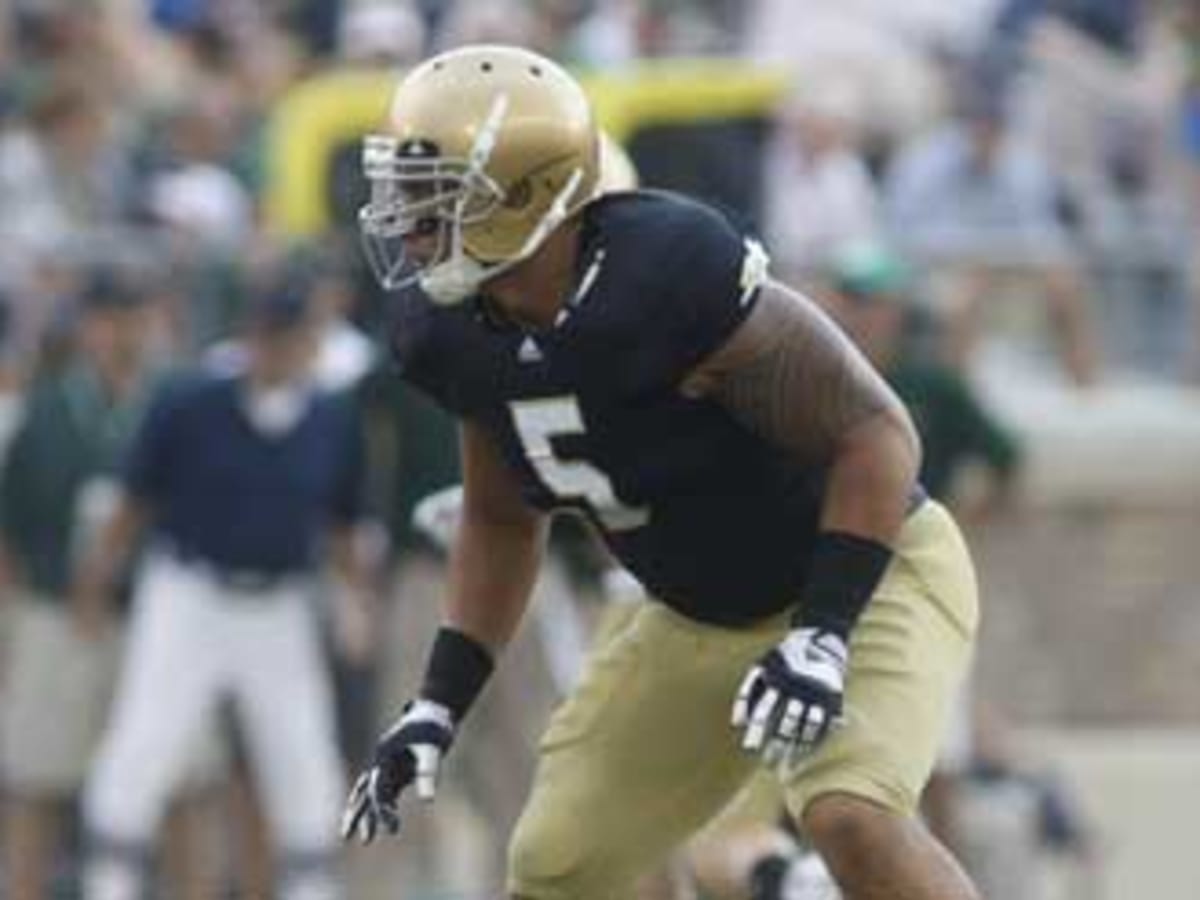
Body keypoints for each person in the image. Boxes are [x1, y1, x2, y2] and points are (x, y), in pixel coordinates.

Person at [341, 45, 982, 900]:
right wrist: (439, 702)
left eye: (438, 193)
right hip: (694, 616)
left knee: (847, 815)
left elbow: (874, 430)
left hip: (865, 575)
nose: (409, 221)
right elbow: (500, 517)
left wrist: (823, 631)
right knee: (558, 863)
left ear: (527, 197)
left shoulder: (669, 270)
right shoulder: (444, 328)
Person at [76, 269, 374, 900]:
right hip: (189, 593)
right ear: (250, 336)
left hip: (280, 603)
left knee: (302, 754)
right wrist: (97, 581)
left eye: (293, 337)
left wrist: (356, 602)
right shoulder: (191, 401)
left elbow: (344, 524)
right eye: (270, 335)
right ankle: (109, 879)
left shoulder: (330, 417)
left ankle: (310, 886)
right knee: (145, 740)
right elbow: (133, 502)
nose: (280, 350)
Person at [0, 270, 211, 900]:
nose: (123, 332)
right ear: (88, 326)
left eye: (135, 317)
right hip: (58, 613)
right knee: (39, 779)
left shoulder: (175, 404)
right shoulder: (44, 407)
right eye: (111, 318)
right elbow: (8, 525)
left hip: (158, 614)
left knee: (183, 784)